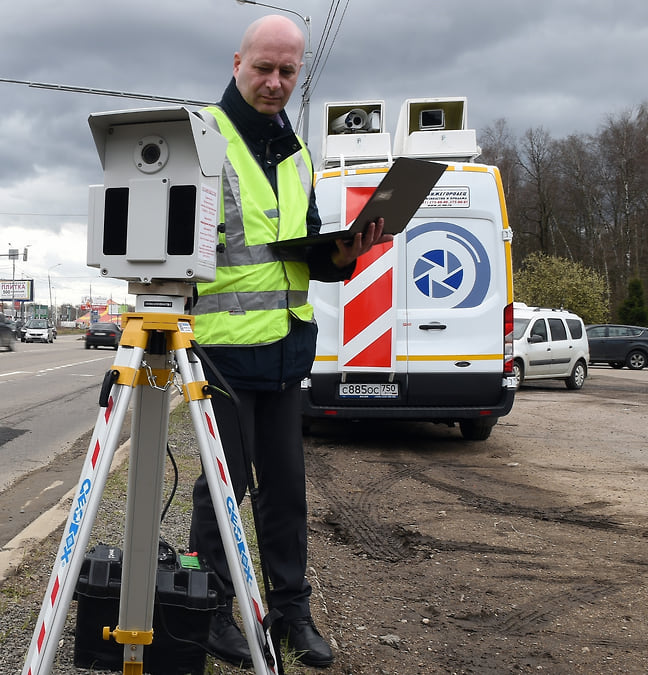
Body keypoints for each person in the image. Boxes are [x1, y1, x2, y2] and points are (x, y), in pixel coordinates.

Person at [187, 15, 391, 669]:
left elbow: (297, 250)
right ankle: (213, 605)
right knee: (224, 488)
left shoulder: (296, 151)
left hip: (283, 347)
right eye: (264, 68)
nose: (276, 82)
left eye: (288, 72)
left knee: (286, 489)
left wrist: (342, 254)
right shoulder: (204, 139)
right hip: (220, 347)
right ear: (237, 61)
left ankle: (291, 611)